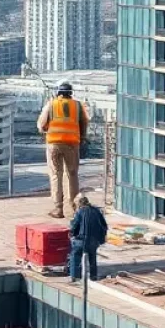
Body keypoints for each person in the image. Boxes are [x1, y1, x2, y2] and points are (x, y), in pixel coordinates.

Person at [37, 81, 90, 219]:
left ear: (58, 93)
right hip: (72, 144)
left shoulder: (51, 104)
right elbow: (84, 122)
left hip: (54, 143)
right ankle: (75, 208)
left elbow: (41, 124)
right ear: (70, 94)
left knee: (56, 174)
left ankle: (58, 208)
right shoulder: (77, 106)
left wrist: (45, 130)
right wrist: (82, 137)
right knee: (72, 175)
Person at [69, 193, 108, 281]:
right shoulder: (97, 211)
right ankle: (93, 276)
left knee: (75, 255)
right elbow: (104, 226)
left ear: (79, 204)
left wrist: (71, 234)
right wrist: (101, 239)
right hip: (94, 240)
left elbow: (74, 226)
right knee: (92, 258)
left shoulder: (80, 212)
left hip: (82, 240)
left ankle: (75, 276)